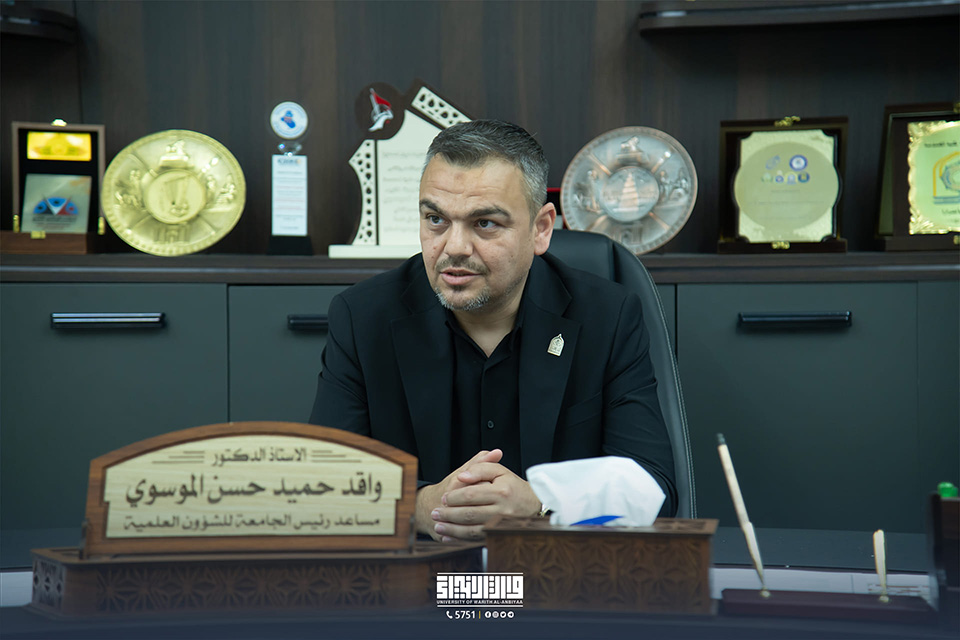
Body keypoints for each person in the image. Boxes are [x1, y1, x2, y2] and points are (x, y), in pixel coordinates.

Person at [310, 119, 676, 542]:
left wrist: (541, 504)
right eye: (435, 219)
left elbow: (655, 489)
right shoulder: (363, 318)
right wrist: (419, 507)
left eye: (484, 223)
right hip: (423, 572)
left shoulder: (606, 317)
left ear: (541, 229)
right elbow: (324, 487)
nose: (454, 247)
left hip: (554, 571)